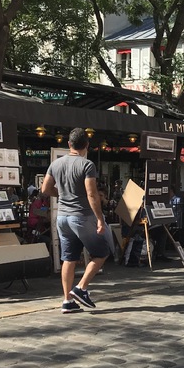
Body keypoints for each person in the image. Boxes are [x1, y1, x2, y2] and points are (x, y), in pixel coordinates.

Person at [41, 127, 113, 314]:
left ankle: (66, 301)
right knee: (102, 253)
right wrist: (99, 218)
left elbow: (45, 189)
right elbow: (91, 193)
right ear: (87, 145)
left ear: (69, 144)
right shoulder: (87, 165)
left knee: (69, 258)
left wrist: (62, 194)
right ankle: (81, 288)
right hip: (81, 216)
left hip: (62, 217)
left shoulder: (55, 164)